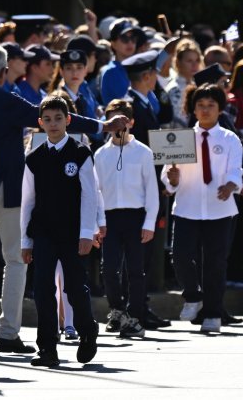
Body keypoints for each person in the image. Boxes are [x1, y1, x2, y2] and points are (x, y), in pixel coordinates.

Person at [0, 44, 127, 357]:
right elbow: (44, 116)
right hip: (10, 191)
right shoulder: (3, 98)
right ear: (3, 73)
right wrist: (102, 126)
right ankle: (9, 334)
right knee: (15, 262)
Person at [21, 96, 100, 367]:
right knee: (42, 289)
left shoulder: (80, 153)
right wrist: (25, 240)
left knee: (75, 287)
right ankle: (47, 348)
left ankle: (87, 331)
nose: (52, 124)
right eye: (47, 119)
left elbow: (90, 195)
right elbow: (28, 200)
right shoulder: (33, 158)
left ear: (68, 120)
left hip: (72, 232)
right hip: (43, 232)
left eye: (58, 118)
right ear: (40, 123)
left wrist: (87, 232)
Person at [162, 83, 243, 334]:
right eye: (200, 105)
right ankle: (193, 296)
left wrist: (231, 184)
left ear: (220, 109)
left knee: (215, 263)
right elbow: (167, 175)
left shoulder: (230, 139)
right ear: (192, 109)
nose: (205, 110)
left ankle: (213, 313)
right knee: (181, 256)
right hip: (187, 207)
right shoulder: (180, 138)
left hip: (220, 210)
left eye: (211, 106)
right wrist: (172, 179)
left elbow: (236, 170)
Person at [94, 99, 160, 339]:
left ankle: (135, 315)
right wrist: (96, 223)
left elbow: (151, 189)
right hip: (109, 217)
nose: (119, 125)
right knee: (109, 269)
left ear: (131, 122)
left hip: (135, 216)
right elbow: (97, 190)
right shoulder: (101, 154)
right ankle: (117, 310)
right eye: (114, 121)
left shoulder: (143, 152)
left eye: (123, 120)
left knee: (135, 270)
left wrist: (150, 222)